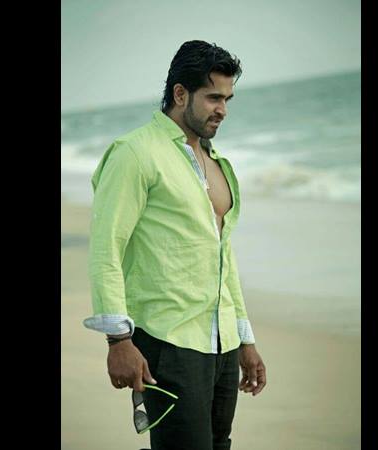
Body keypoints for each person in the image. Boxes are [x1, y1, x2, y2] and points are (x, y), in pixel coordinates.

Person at [83, 40, 266, 450]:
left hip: (221, 343)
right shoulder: (135, 153)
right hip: (168, 342)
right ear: (180, 94)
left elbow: (222, 255)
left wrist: (245, 339)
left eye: (228, 99)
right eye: (213, 97)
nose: (223, 109)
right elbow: (107, 249)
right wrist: (118, 340)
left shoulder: (216, 162)